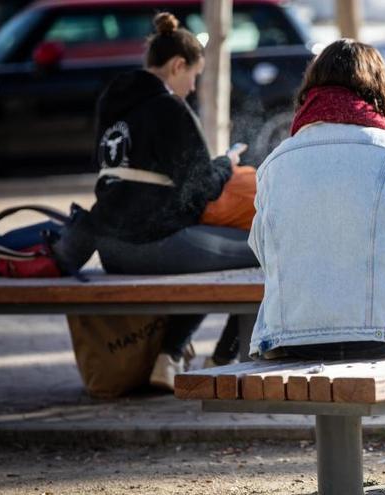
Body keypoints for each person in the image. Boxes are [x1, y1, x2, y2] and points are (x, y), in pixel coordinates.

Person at [247, 39, 385, 361]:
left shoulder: (274, 164)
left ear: (310, 89)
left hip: (290, 337)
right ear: (379, 89)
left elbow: (266, 255)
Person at [89, 12, 259, 390]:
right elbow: (201, 188)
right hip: (153, 242)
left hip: (109, 247)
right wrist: (225, 164)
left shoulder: (112, 104)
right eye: (194, 75)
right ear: (178, 65)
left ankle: (169, 359)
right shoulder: (168, 108)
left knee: (205, 257)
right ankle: (224, 361)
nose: (193, 86)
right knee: (266, 251)